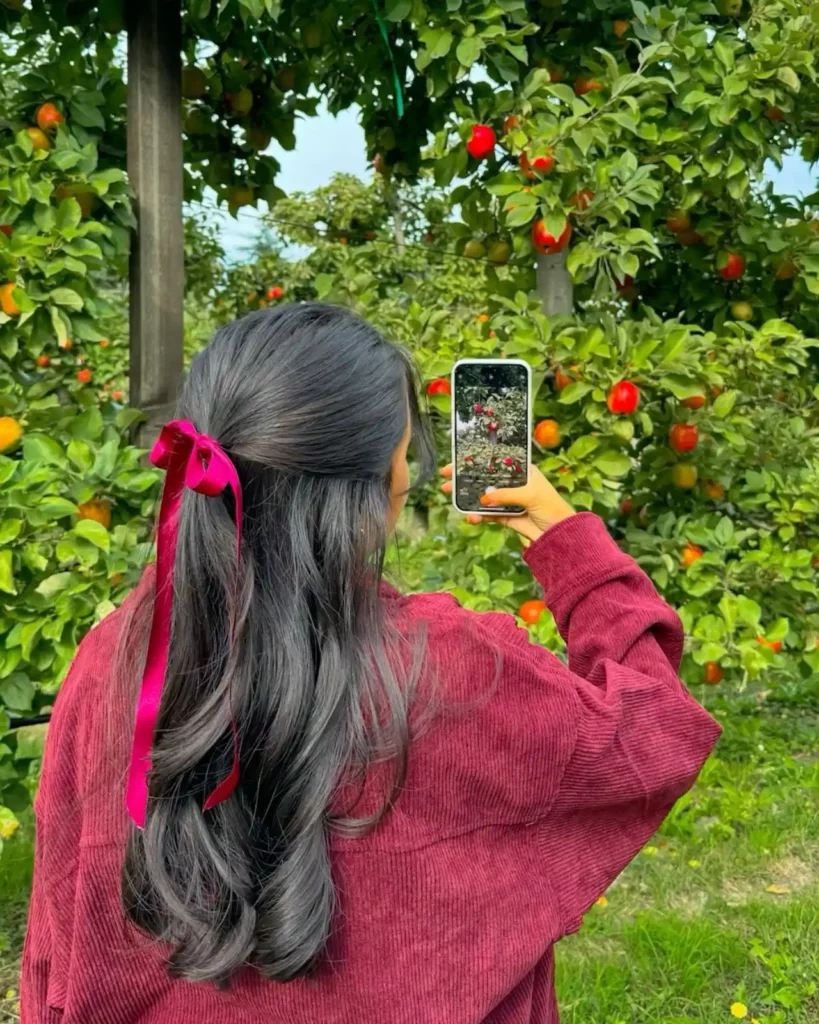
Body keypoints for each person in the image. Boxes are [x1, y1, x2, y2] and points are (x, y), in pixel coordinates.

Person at [20, 303, 721, 1024]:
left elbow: (55, 941)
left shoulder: (114, 666)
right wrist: (562, 534)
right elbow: (653, 733)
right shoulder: (452, 670)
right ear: (379, 479)